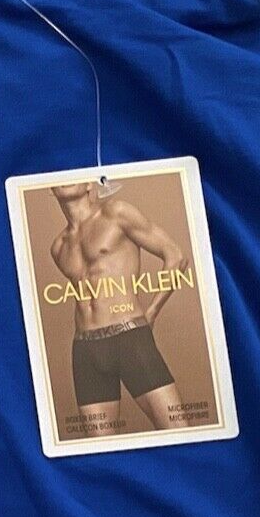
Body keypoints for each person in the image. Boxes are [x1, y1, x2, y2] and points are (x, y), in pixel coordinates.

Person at [48, 179, 188, 434]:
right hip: (85, 350)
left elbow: (175, 257)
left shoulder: (116, 213)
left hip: (129, 338)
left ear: (89, 184)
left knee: (177, 431)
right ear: (51, 188)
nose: (66, 179)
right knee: (101, 448)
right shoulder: (58, 247)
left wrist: (151, 312)